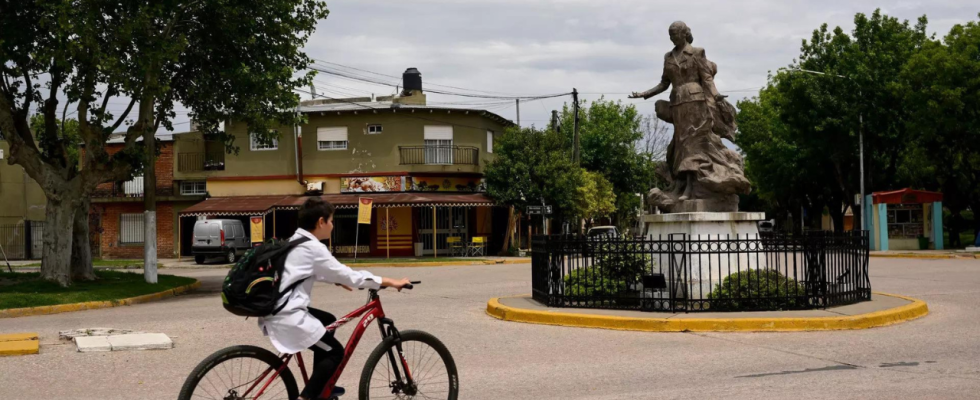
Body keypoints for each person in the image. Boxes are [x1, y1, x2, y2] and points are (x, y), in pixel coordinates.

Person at [258, 197, 412, 400]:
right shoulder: (313, 248)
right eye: (331, 221)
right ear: (321, 222)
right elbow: (349, 275)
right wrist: (391, 281)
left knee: (328, 320)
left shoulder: (295, 240)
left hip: (276, 309)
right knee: (335, 353)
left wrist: (337, 280)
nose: (332, 226)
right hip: (287, 317)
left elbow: (307, 270)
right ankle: (308, 396)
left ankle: (322, 386)